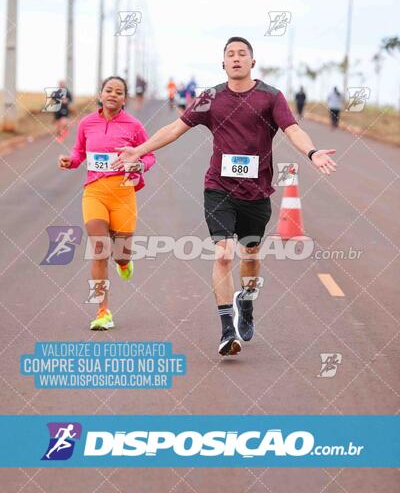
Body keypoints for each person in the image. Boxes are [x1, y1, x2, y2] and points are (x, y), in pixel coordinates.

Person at [112, 37, 337, 356]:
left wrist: (312, 152)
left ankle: (246, 300)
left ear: (252, 62)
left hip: (257, 194)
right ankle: (227, 329)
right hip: (218, 189)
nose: (236, 58)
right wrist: (138, 149)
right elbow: (174, 129)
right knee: (223, 254)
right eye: (230, 54)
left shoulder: (271, 97)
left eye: (242, 54)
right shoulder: (211, 98)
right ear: (223, 63)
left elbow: (293, 130)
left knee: (250, 255)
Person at [58, 76, 155, 330]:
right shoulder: (87, 124)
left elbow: (150, 155)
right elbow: (79, 152)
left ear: (124, 98)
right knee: (99, 249)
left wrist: (139, 163)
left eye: (119, 91)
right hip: (94, 192)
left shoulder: (134, 126)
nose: (113, 94)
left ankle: (124, 262)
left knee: (121, 253)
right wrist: (71, 161)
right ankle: (103, 311)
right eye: (108, 90)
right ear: (100, 94)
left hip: (123, 194)